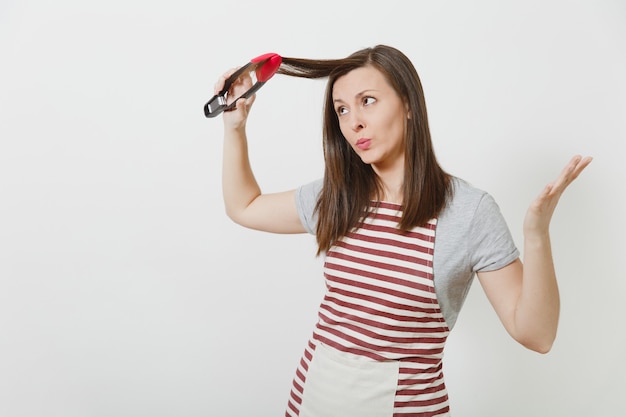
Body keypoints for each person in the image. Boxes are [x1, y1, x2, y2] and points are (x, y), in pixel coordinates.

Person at [213, 44, 592, 417]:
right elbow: (244, 207)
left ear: (408, 104)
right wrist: (235, 127)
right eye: (341, 109)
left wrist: (537, 234)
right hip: (311, 402)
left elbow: (537, 335)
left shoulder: (468, 212)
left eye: (368, 101)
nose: (353, 122)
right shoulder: (338, 196)